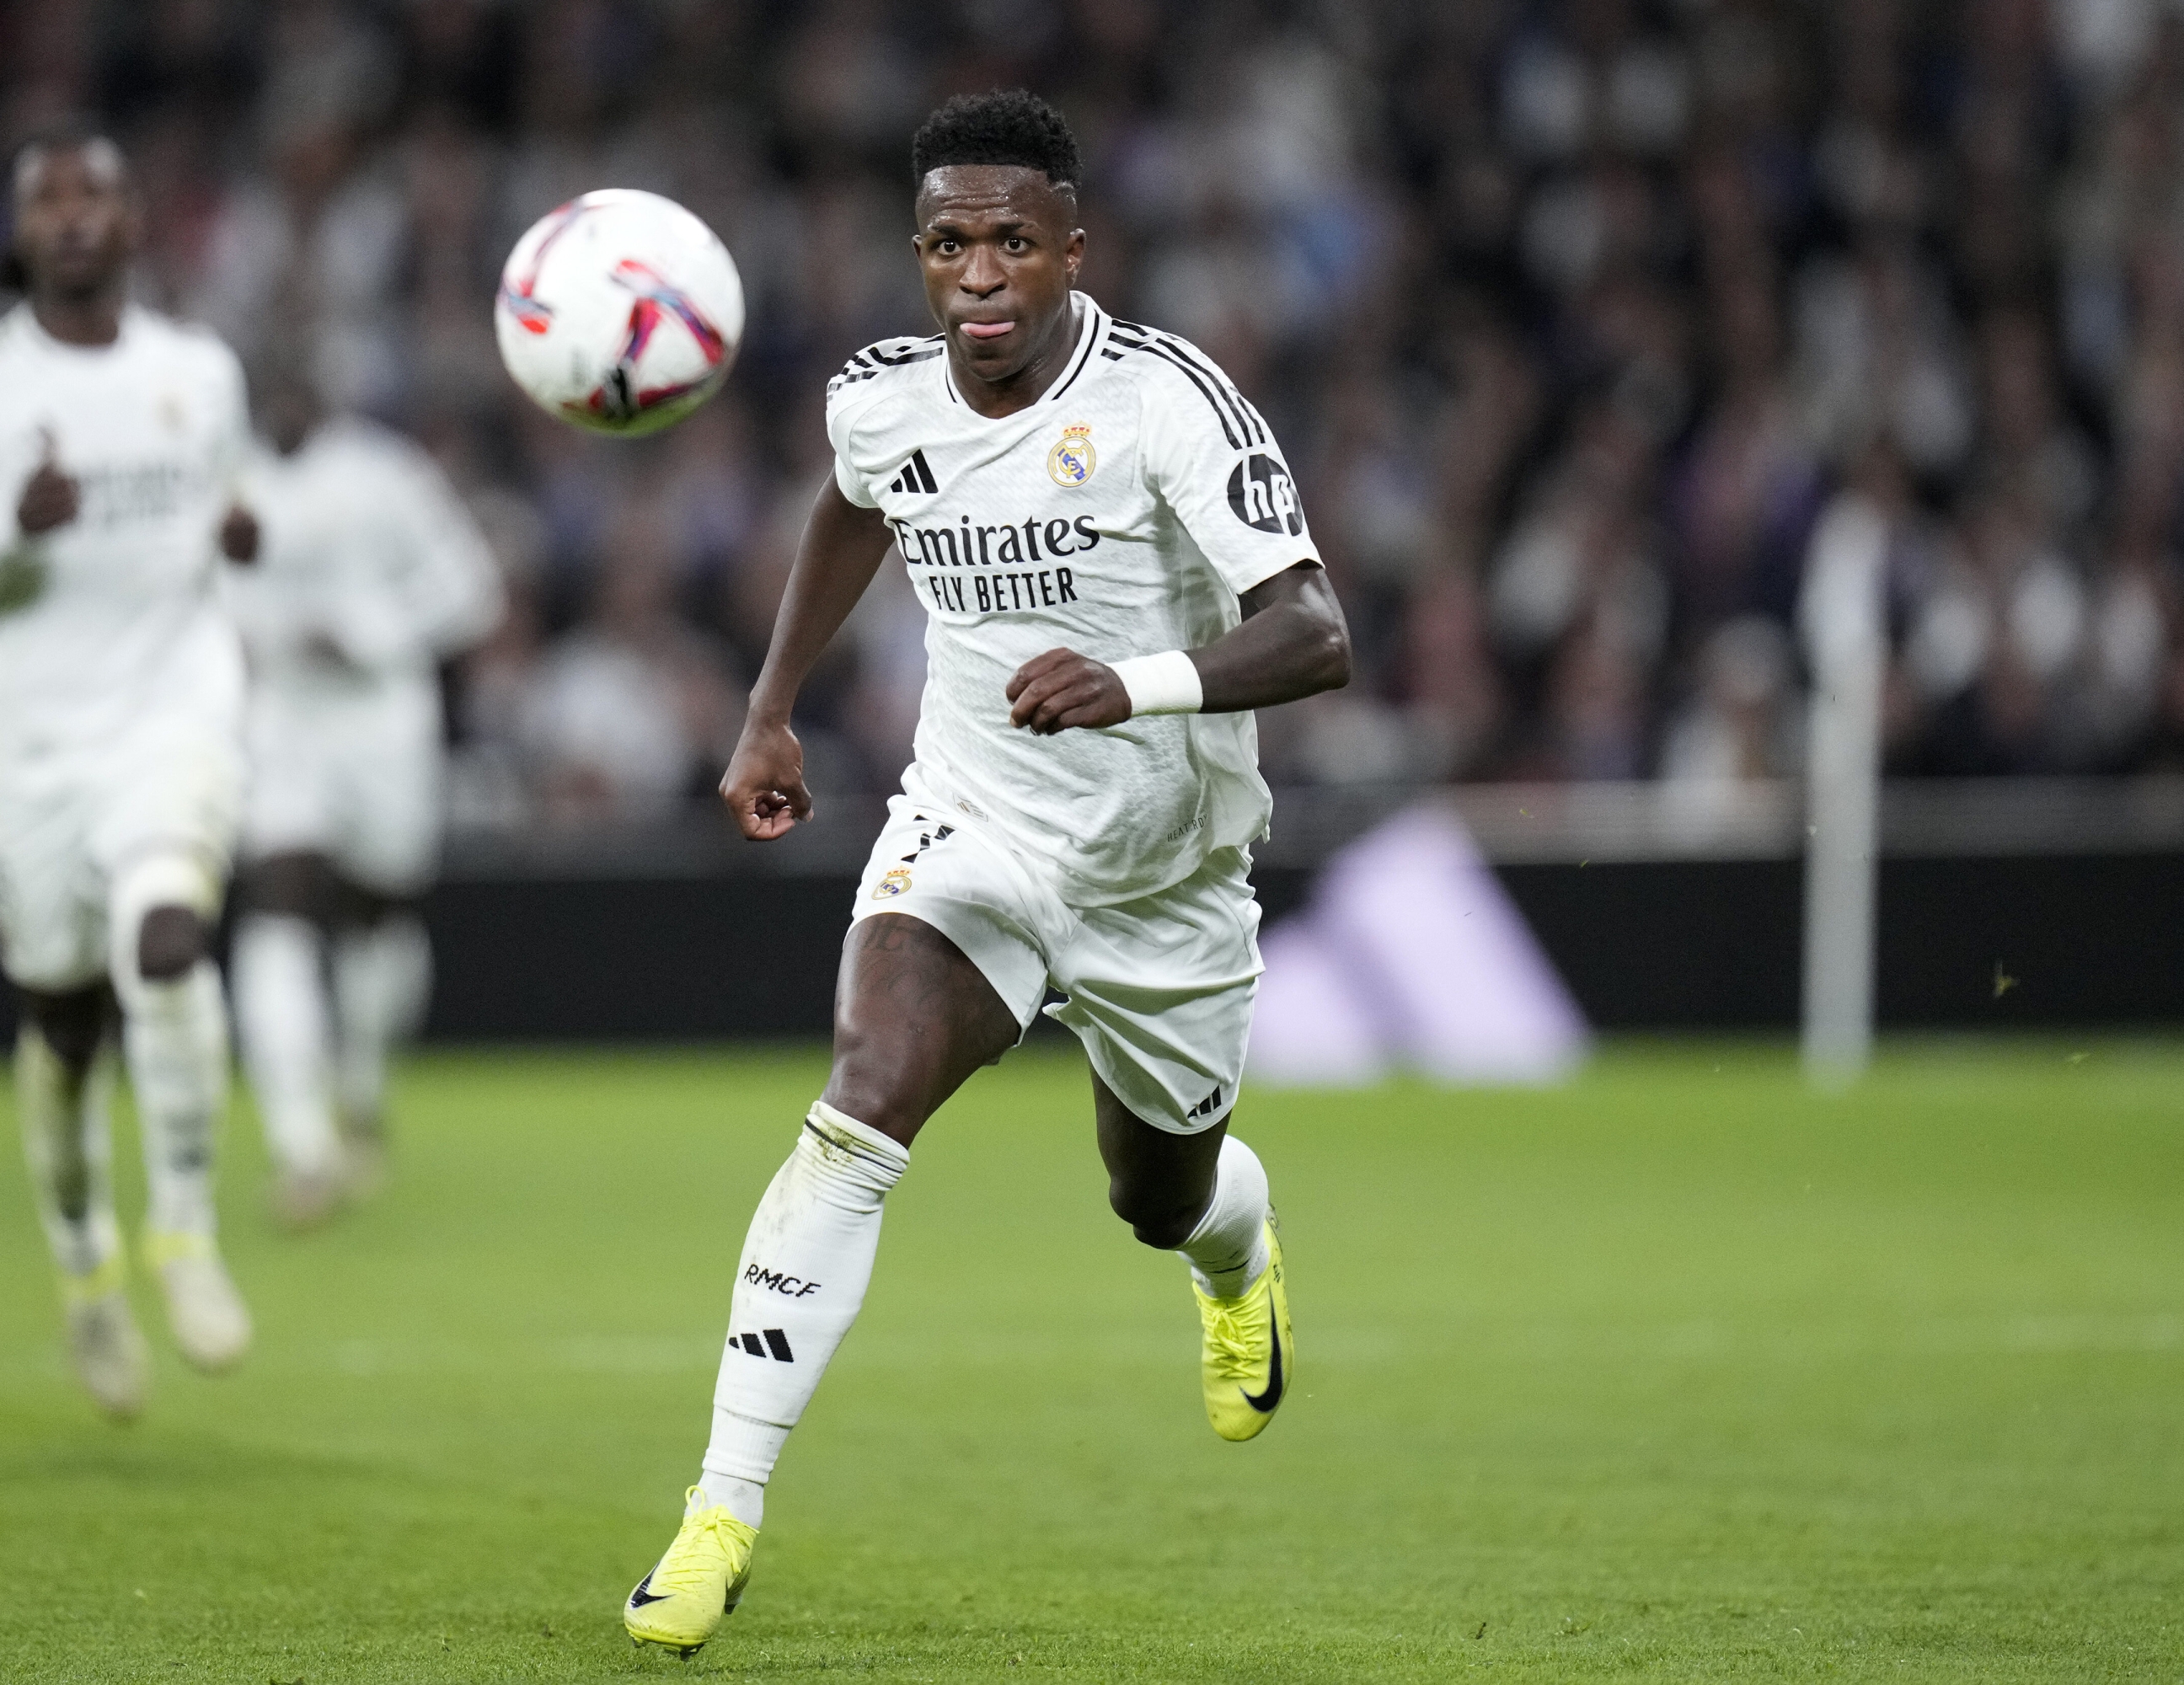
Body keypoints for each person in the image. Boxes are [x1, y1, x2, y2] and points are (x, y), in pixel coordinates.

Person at [624, 90, 1352, 1656]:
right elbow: (850, 509)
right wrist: (769, 713)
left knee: (1151, 1195)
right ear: (918, 254)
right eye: (950, 243)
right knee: (863, 1092)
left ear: (1074, 253)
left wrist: (1136, 679)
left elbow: (1317, 631)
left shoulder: (1169, 400)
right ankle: (718, 1512)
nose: (979, 273)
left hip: (1164, 872)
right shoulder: (886, 400)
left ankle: (1236, 1248)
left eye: (1013, 242)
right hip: (977, 823)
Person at [0, 124, 256, 1421]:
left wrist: (244, 524)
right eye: (49, 197)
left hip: (174, 710)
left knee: (167, 938)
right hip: (35, 742)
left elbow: (224, 506)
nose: (75, 215)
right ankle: (84, 1260)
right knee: (62, 1015)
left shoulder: (198, 372)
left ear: (134, 219)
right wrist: (12, 531)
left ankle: (185, 1230)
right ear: (22, 230)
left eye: (96, 190)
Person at [227, 361, 500, 1227]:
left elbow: (472, 589)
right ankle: (301, 1147)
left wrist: (369, 633)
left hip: (382, 715)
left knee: (378, 915)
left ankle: (361, 1086)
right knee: (278, 899)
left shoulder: (387, 475)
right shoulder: (225, 482)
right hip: (277, 716)